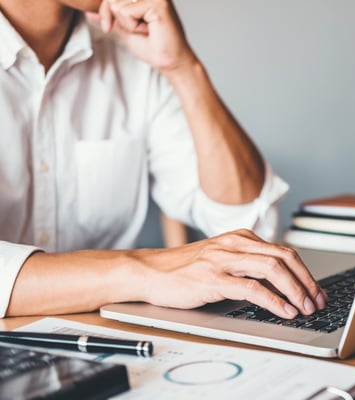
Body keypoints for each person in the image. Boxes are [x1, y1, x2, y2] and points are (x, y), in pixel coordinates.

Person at [0, 0, 327, 320]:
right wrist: (147, 271)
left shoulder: (131, 52)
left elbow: (246, 224)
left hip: (105, 345)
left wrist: (183, 69)